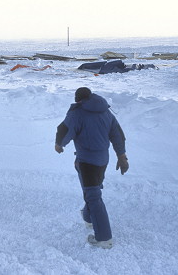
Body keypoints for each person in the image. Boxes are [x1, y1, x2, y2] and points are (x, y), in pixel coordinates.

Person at [55, 87, 129, 249]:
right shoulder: (106, 113)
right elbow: (117, 134)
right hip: (103, 160)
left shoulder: (77, 113)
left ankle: (104, 238)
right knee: (92, 191)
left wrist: (59, 144)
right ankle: (88, 217)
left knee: (93, 196)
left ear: (79, 99)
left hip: (87, 162)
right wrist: (121, 156)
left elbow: (64, 129)